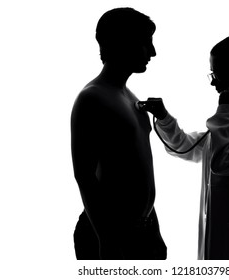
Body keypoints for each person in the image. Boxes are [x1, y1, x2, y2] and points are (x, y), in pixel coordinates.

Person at [143, 34, 229, 260]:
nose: (213, 82)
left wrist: (225, 109)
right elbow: (190, 148)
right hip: (223, 230)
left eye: (217, 74)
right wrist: (164, 118)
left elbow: (223, 162)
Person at [70, 7, 166, 260]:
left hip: (141, 233)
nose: (153, 53)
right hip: (109, 234)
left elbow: (139, 172)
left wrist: (153, 227)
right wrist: (106, 239)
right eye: (147, 43)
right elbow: (84, 175)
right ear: (126, 42)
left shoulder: (132, 99)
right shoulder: (92, 98)